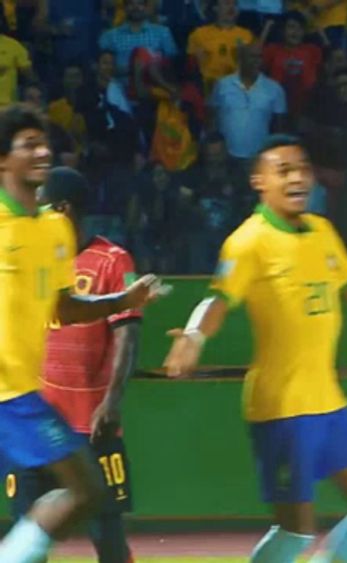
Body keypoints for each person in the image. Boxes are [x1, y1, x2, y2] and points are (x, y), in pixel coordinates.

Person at [163, 134, 347, 563]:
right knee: (296, 533)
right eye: (284, 170)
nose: (298, 178)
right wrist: (194, 337)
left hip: (330, 404)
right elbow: (218, 299)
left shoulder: (322, 232)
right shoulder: (248, 241)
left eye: (303, 169)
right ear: (259, 181)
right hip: (281, 410)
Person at [0, 104, 165, 562]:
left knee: (89, 495)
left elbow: (65, 306)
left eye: (43, 142)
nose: (41, 151)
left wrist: (122, 303)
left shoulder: (53, 229)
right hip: (7, 395)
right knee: (86, 491)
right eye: (27, 144)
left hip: (24, 395)